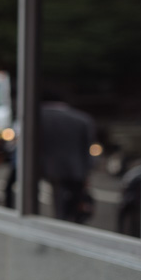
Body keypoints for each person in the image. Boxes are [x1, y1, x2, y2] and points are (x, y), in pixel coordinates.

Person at [39, 93, 97, 222]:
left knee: (59, 204)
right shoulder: (82, 119)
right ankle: (71, 223)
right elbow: (87, 148)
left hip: (50, 166)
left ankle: (61, 224)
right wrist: (87, 172)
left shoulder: (39, 115)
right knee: (74, 203)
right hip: (76, 168)